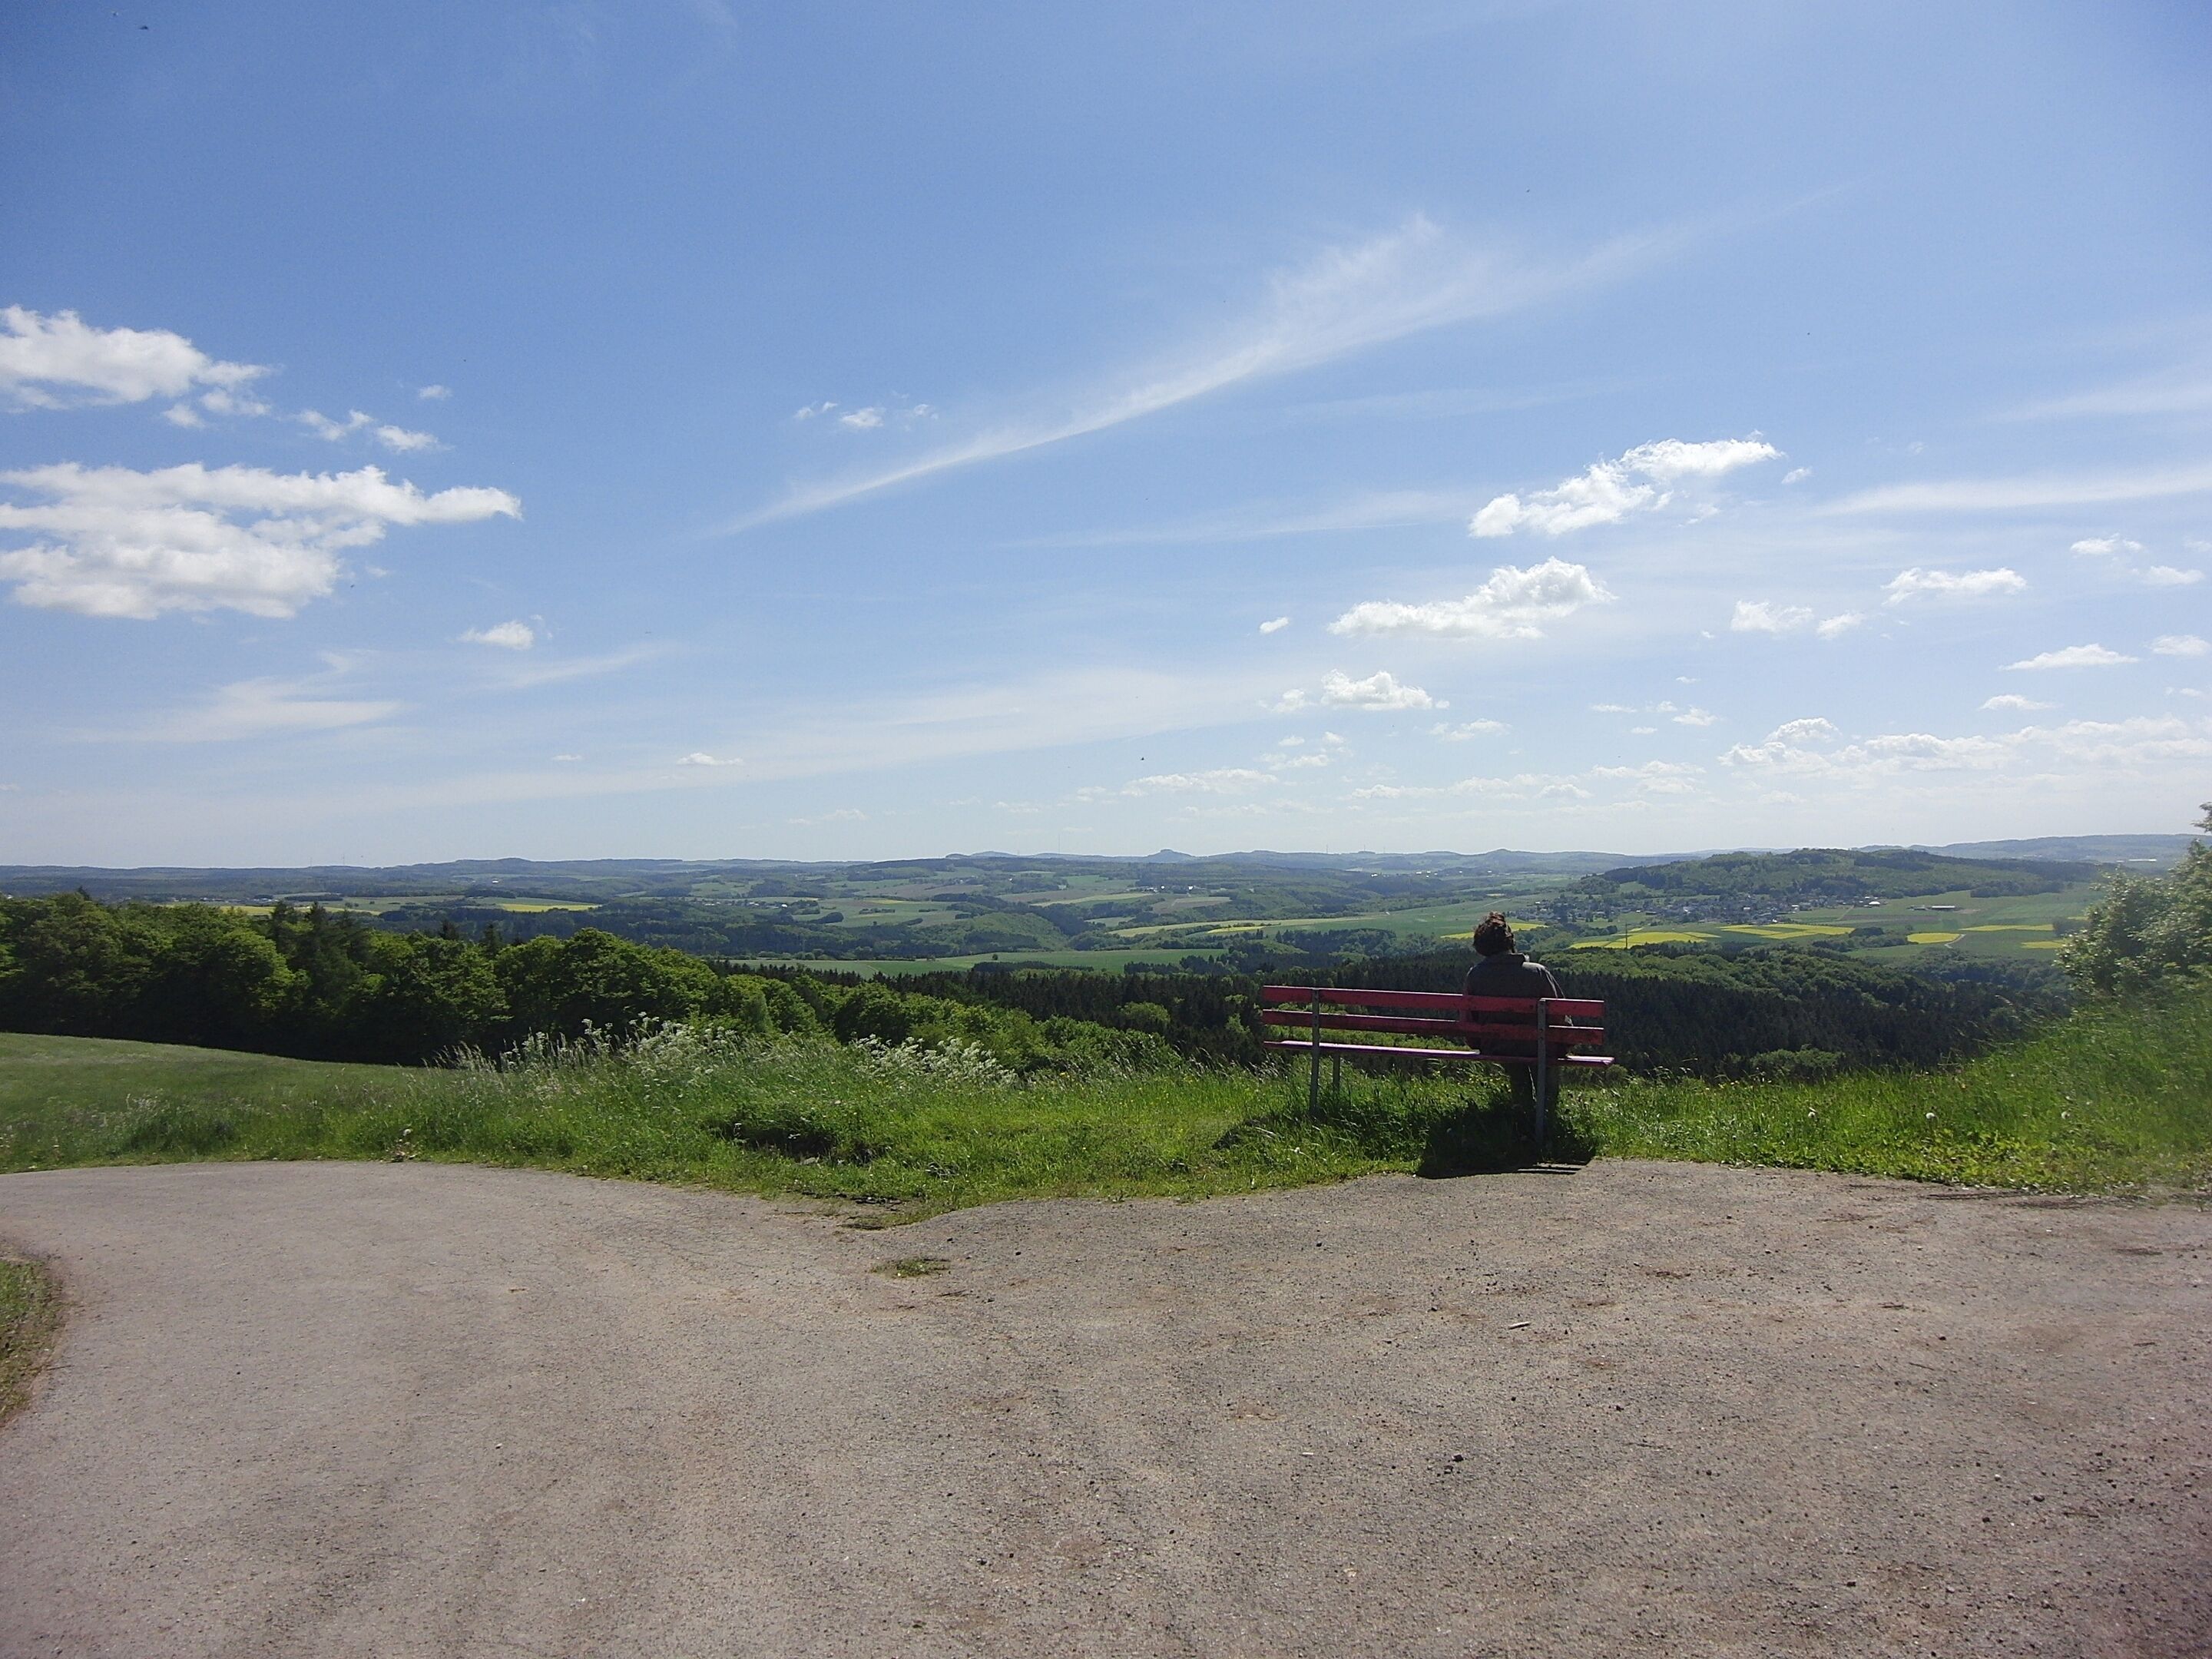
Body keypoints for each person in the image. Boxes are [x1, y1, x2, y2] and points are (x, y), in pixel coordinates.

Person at [1461, 912, 1565, 1119]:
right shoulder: (1538, 972)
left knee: (1516, 1060)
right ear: (1510, 941)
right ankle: (1547, 1119)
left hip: (1498, 1044)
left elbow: (1468, 1021)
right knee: (1545, 1053)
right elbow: (1559, 1015)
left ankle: (1522, 1117)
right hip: (1540, 1045)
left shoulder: (1475, 975)